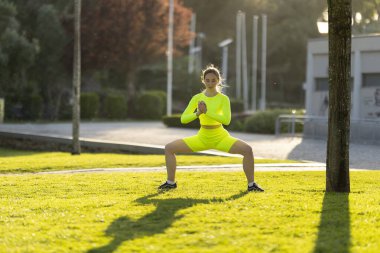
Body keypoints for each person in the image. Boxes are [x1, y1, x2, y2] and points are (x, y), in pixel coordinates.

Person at [158, 65, 264, 192]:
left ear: (218, 81)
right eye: (207, 80)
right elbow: (183, 119)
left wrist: (206, 112)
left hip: (220, 137)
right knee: (169, 148)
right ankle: (170, 183)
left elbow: (226, 120)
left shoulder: (223, 99)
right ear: (203, 80)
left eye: (213, 80)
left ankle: (251, 185)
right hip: (202, 137)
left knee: (247, 150)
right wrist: (198, 113)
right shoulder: (197, 98)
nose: (210, 83)